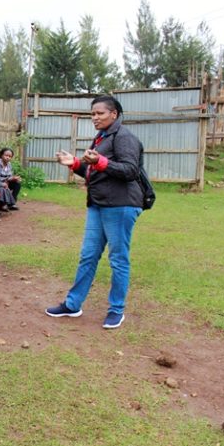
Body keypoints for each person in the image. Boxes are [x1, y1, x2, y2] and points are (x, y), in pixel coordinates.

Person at [45, 95, 143, 330]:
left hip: (120, 205)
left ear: (114, 114)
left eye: (100, 113)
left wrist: (99, 161)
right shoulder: (102, 137)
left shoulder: (124, 137)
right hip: (98, 204)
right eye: (92, 114)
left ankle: (116, 310)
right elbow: (96, 171)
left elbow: (130, 170)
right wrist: (74, 163)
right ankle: (72, 304)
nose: (95, 118)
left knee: (118, 259)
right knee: (88, 255)